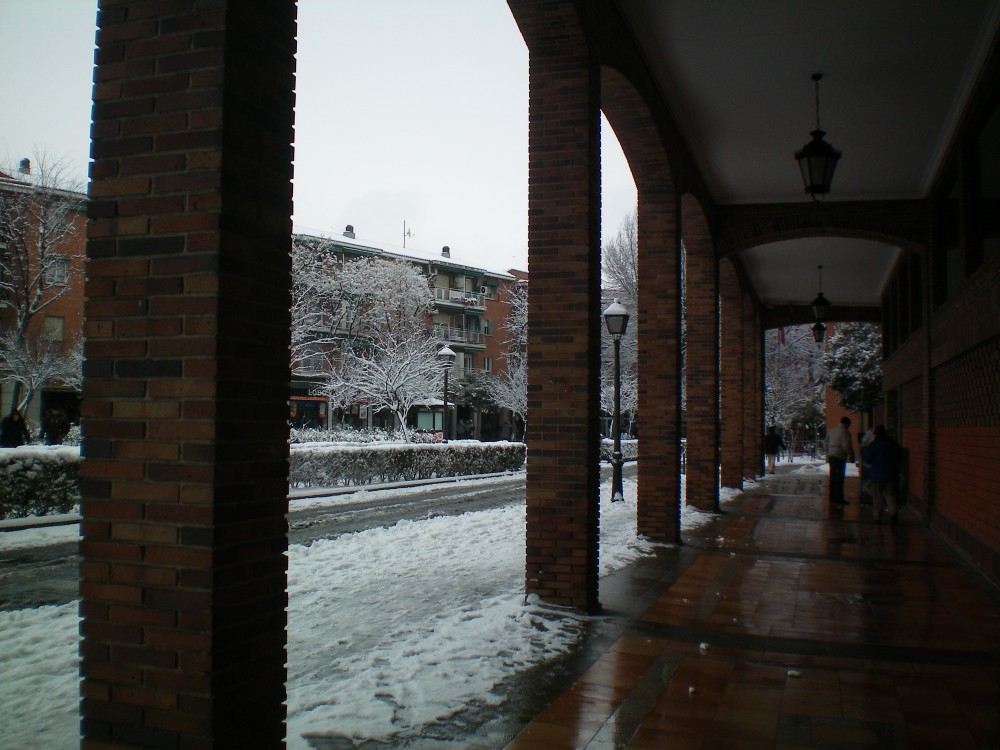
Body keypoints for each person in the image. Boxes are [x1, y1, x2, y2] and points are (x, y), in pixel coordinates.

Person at [862, 425, 903, 525]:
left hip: (876, 475)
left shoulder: (873, 445)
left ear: (876, 435)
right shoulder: (893, 444)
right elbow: (900, 457)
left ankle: (877, 517)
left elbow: (867, 458)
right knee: (891, 495)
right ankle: (893, 514)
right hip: (891, 474)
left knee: (877, 497)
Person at [824, 416, 854, 504]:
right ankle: (839, 498)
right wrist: (852, 455)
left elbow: (825, 442)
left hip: (832, 455)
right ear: (847, 423)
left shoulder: (832, 431)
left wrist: (828, 451)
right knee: (839, 478)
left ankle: (832, 497)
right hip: (840, 456)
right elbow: (846, 445)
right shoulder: (845, 432)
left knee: (833, 477)